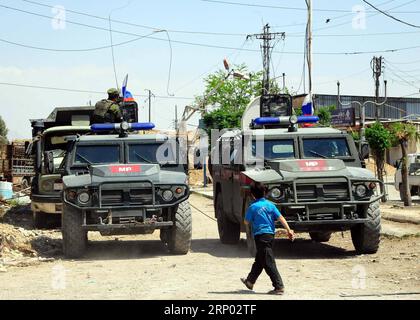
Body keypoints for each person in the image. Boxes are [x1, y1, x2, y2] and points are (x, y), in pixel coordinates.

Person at [241, 182, 295, 295]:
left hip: (260, 236)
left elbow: (246, 222)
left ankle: (279, 287)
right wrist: (289, 230)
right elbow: (281, 218)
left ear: (252, 195)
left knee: (268, 261)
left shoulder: (252, 207)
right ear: (265, 193)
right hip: (270, 236)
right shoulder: (271, 205)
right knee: (260, 259)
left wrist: (251, 218)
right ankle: (250, 281)